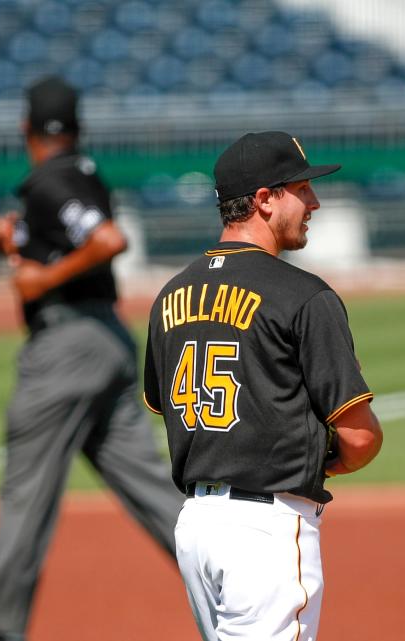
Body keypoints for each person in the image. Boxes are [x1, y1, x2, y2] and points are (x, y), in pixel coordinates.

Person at [0, 76, 184, 641]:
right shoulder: (81, 172)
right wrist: (15, 246)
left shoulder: (51, 180)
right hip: (106, 337)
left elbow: (108, 241)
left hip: (66, 349)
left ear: (24, 126)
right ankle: (245, 584)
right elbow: (76, 239)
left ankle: (3, 631)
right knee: (151, 488)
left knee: (26, 493)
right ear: (78, 125)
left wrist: (39, 279)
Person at [142, 130, 383, 641]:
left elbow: (172, 408)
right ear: (264, 200)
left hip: (196, 529)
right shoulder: (304, 296)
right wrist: (321, 458)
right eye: (301, 188)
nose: (314, 201)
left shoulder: (171, 294)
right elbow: (361, 439)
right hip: (265, 533)